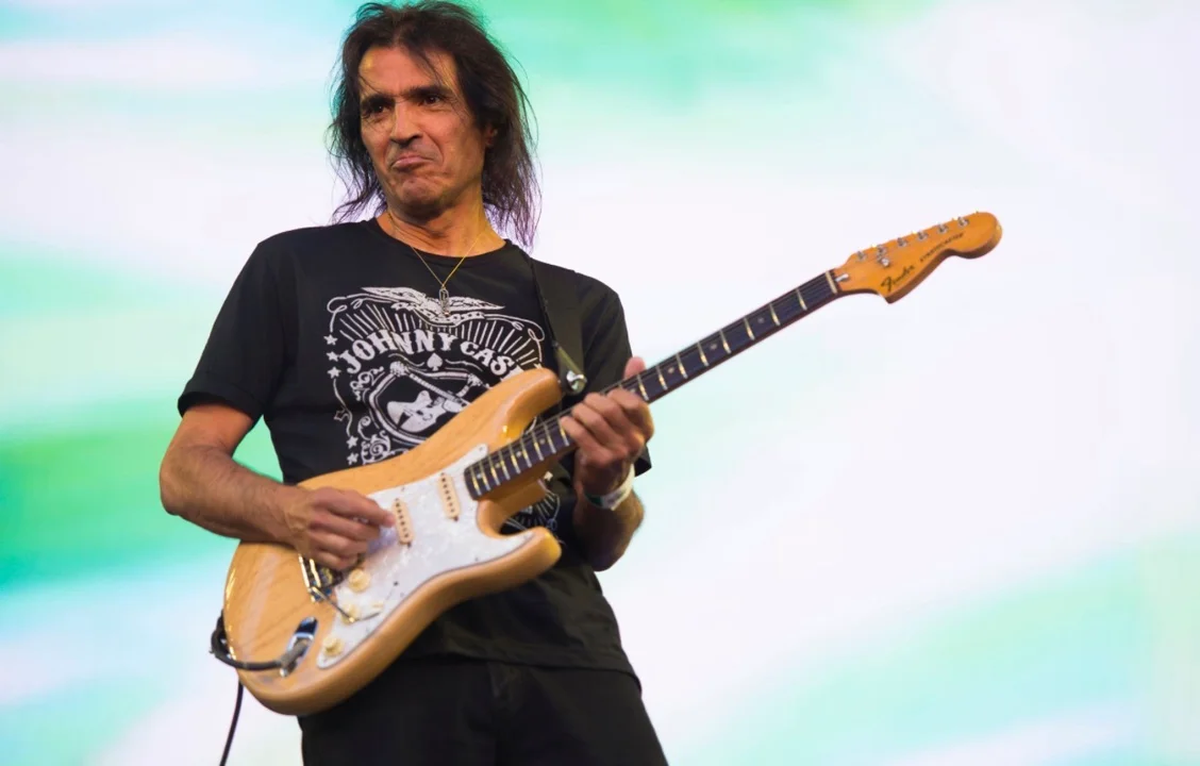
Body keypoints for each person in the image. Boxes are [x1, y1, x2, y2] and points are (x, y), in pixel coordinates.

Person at [158, 1, 668, 764]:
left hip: (566, 653)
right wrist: (290, 513)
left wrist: (605, 484)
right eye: (377, 108)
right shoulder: (294, 268)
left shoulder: (578, 306)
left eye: (430, 99)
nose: (401, 128)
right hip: (376, 654)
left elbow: (602, 542)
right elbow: (185, 470)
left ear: (487, 123)